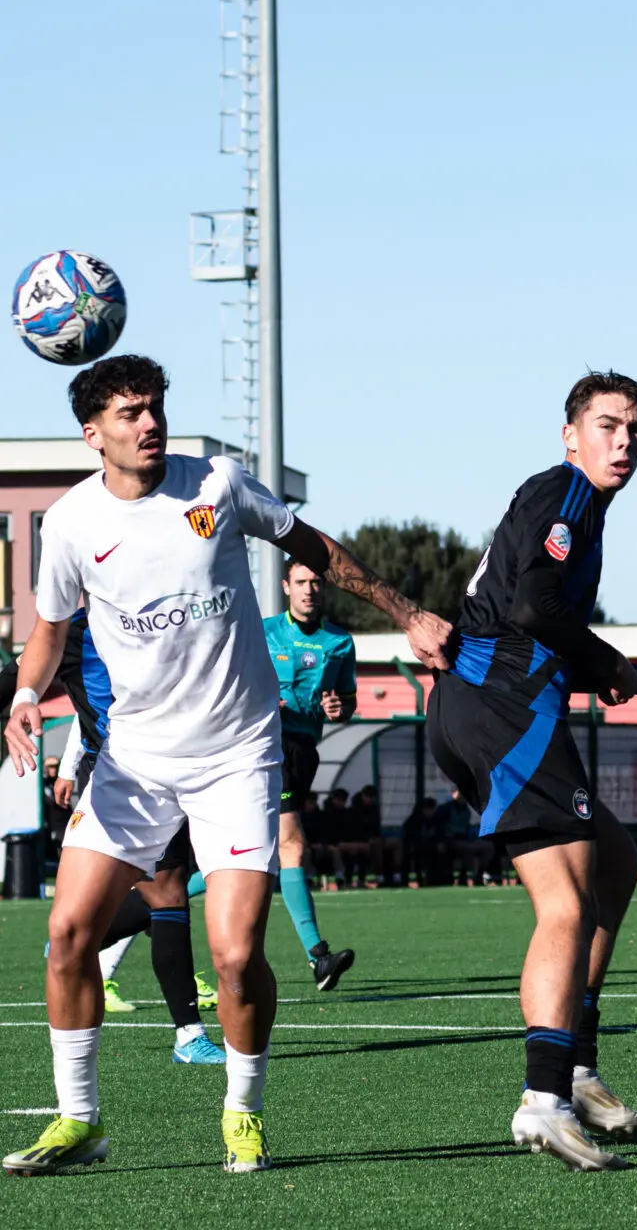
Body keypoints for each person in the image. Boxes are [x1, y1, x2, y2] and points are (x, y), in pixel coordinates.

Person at [2, 355, 451, 1177]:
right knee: (66, 934)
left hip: (237, 757)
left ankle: (242, 1113)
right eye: (131, 412)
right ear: (92, 432)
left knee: (237, 956)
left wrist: (406, 609)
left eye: (156, 407)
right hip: (134, 761)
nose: (150, 422)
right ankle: (80, 1121)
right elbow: (50, 632)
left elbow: (313, 544)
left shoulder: (216, 484)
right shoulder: (67, 524)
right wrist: (28, 692)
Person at [426, 371, 637, 1170]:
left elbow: (529, 620)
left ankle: (576, 1067)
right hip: (501, 711)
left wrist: (615, 675)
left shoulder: (582, 511)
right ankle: (544, 1100)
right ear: (571, 435)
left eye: (636, 429)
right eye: (608, 425)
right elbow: (535, 612)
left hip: (491, 705)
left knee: (616, 867)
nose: (624, 441)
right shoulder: (563, 490)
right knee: (566, 905)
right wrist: (610, 660)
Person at [52, 613, 222, 1061]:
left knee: (165, 891)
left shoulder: (150, 615)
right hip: (112, 776)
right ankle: (188, 1035)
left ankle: (77, 932)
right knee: (165, 894)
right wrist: (24, 703)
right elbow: (18, 680)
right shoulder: (69, 632)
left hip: (168, 769)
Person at [263, 561, 359, 986]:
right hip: (267, 747)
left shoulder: (339, 643)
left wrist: (341, 709)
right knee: (292, 845)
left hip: (304, 753)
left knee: (259, 857)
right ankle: (318, 955)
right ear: (286, 586)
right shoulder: (263, 632)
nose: (309, 590)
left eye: (316, 582)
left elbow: (348, 700)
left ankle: (154, 904)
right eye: (301, 582)